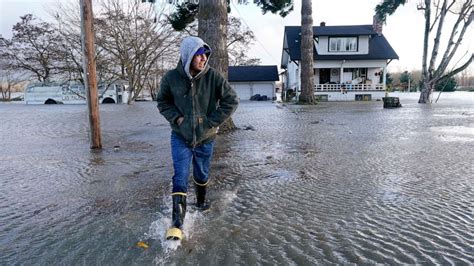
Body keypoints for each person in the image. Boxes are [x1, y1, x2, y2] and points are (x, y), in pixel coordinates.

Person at [157, 36, 239, 240]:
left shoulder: (213, 77)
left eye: (205, 54)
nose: (203, 58)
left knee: (201, 174)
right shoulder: (171, 79)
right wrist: (176, 118)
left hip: (206, 138)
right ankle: (177, 224)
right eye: (199, 54)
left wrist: (211, 121)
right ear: (187, 56)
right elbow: (163, 102)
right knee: (180, 175)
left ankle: (201, 202)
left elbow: (231, 101)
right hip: (180, 137)